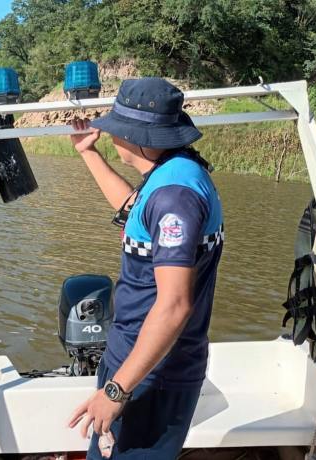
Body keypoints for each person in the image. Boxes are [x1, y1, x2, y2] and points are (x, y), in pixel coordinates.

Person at [67, 78, 224, 459]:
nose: (112, 135)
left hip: (151, 376)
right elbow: (136, 210)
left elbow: (174, 306)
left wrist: (117, 390)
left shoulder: (175, 197)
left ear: (139, 136)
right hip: (138, 362)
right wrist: (89, 154)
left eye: (117, 128)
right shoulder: (175, 172)